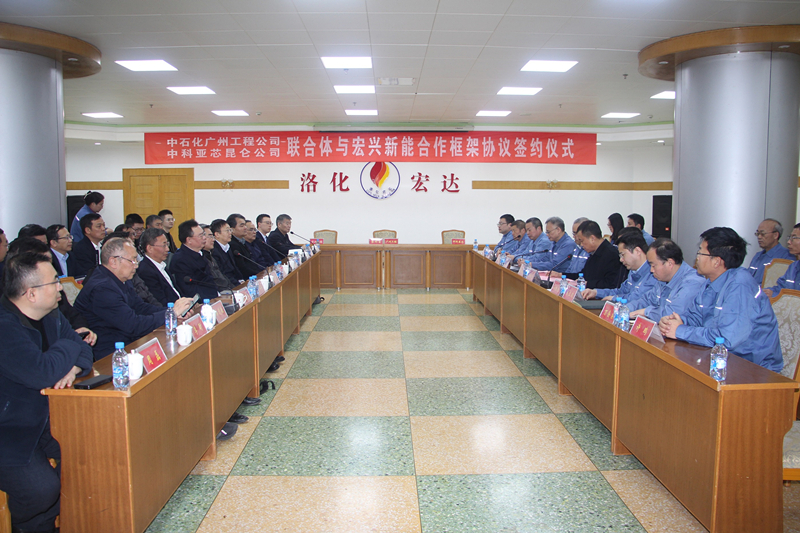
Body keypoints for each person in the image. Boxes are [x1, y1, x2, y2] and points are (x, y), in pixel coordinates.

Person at [0, 252, 93, 533]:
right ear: (31, 293)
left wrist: (73, 368)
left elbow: (85, 351)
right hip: (11, 428)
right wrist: (70, 345)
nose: (60, 287)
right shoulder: (5, 327)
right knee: (41, 490)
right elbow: (42, 372)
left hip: (45, 416)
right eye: (54, 282)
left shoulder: (51, 315)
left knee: (92, 450)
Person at [659, 227, 782, 373]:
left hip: (753, 369)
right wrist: (673, 323)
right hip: (721, 360)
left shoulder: (740, 285)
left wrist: (680, 331)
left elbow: (727, 339)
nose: (697, 258)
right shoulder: (710, 282)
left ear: (717, 261)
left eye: (700, 252)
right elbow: (696, 317)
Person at [74, 238, 194, 360]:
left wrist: (173, 312)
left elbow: (140, 307)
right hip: (110, 353)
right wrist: (171, 313)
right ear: (113, 262)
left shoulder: (121, 279)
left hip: (127, 341)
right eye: (132, 260)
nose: (136, 265)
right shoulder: (102, 289)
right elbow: (134, 326)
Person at [630, 238, 707, 322]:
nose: (651, 270)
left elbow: (672, 315)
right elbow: (646, 300)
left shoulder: (692, 283)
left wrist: (646, 312)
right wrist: (626, 309)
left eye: (653, 265)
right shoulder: (663, 278)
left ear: (670, 263)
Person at [581, 227, 658, 308]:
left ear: (637, 251)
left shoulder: (653, 273)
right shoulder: (633, 270)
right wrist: (596, 292)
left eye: (623, 255)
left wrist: (614, 298)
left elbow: (637, 298)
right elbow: (621, 291)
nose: (621, 260)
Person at [169, 220, 221, 301]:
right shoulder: (180, 260)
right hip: (200, 302)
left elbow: (209, 280)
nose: (204, 238)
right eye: (201, 236)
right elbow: (190, 291)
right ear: (189, 240)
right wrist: (213, 298)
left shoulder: (200, 253)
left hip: (212, 296)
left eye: (204, 234)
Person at [563, 220, 624, 289]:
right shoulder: (594, 253)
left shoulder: (611, 254)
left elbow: (610, 283)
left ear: (592, 238)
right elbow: (583, 275)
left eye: (582, 241)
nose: (582, 245)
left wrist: (588, 284)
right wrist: (561, 275)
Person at [137, 228, 181, 306]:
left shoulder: (162, 265)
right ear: (150, 248)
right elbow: (159, 301)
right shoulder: (146, 271)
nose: (167, 249)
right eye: (163, 245)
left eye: (167, 244)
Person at [747, 218, 793, 284]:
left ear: (775, 235)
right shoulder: (758, 256)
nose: (759, 237)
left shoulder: (786, 256)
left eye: (763, 233)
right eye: (758, 233)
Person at [765, 223, 800, 298]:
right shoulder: (793, 266)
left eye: (794, 238)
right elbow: (781, 287)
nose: (789, 242)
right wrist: (770, 292)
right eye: (790, 238)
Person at [227, 213, 264, 278]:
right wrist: (260, 274)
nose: (245, 228)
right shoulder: (233, 245)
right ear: (232, 230)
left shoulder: (242, 242)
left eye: (245, 225)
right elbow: (243, 268)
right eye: (242, 226)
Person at [201, 224, 235, 292]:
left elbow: (223, 276)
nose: (213, 240)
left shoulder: (210, 254)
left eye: (213, 237)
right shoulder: (202, 258)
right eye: (210, 236)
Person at [71, 213, 106, 277]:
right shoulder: (81, 249)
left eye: (104, 225)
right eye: (99, 226)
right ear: (88, 230)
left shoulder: (104, 245)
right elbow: (89, 272)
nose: (103, 229)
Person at [211, 218, 243, 286]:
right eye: (227, 230)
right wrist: (238, 285)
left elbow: (235, 268)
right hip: (227, 286)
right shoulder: (214, 251)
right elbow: (224, 274)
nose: (230, 233)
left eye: (230, 230)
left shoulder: (228, 247)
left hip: (235, 282)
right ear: (217, 234)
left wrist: (241, 280)